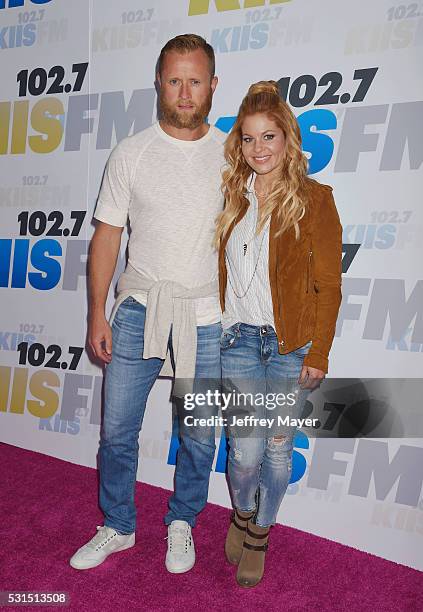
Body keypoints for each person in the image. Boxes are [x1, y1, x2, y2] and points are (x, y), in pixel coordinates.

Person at [69, 34, 226, 574]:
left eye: (196, 80)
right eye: (175, 80)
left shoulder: (234, 155)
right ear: (159, 83)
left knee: (200, 435)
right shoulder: (131, 152)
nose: (185, 92)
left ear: (212, 85)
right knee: (116, 432)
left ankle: (182, 521)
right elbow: (108, 237)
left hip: (206, 316)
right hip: (137, 308)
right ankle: (118, 525)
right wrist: (96, 312)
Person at [213, 81, 343, 587]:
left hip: (291, 347)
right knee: (243, 451)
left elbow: (330, 285)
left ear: (288, 140)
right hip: (240, 341)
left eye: (269, 137)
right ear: (239, 145)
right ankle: (242, 512)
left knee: (277, 450)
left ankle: (261, 532)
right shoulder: (231, 196)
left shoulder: (315, 199)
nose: (259, 149)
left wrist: (321, 353)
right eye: (248, 139)